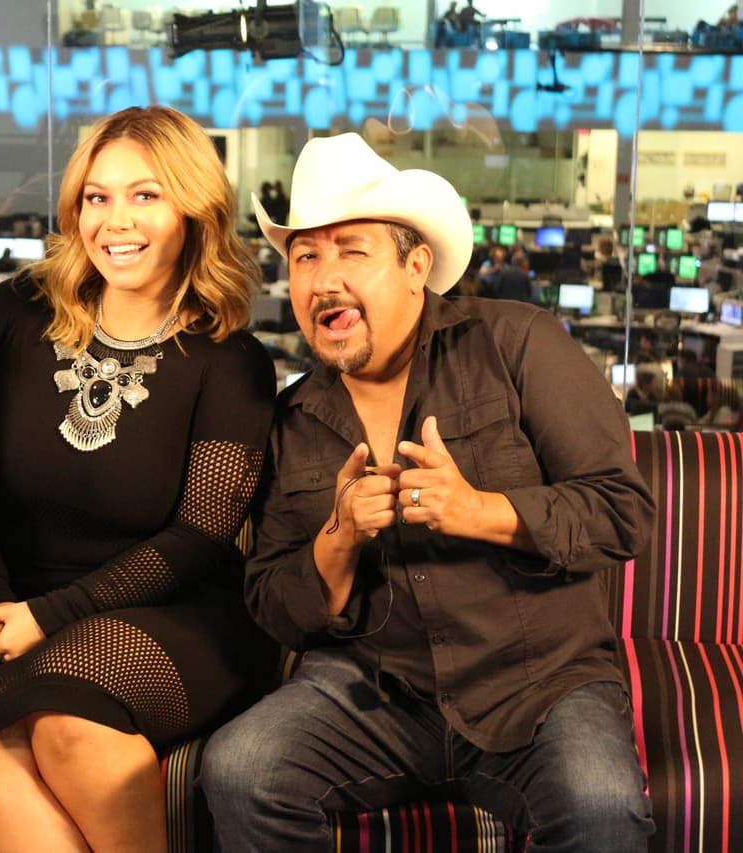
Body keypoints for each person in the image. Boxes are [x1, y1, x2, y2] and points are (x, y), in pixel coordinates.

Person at [200, 133, 656, 852]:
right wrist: (339, 539)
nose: (323, 279)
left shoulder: (518, 343)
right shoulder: (291, 420)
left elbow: (623, 513)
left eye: (351, 250)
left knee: (600, 805)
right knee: (242, 768)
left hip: (539, 687)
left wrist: (481, 510)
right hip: (372, 692)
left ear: (416, 266)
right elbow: (274, 606)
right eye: (305, 257)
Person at [0, 105, 276, 853]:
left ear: (193, 209)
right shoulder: (12, 314)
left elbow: (197, 539)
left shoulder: (231, 360)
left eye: (145, 195)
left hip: (176, 613)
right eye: (97, 196)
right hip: (11, 610)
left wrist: (46, 615)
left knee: (69, 727)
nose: (114, 220)